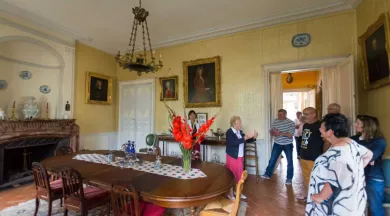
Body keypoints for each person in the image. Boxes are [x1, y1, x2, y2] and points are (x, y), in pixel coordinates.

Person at [306, 113, 373, 215]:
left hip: (337, 204)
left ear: (330, 132)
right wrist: (354, 170)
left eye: (322, 128)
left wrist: (320, 196)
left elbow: (334, 180)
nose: (319, 129)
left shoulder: (339, 152)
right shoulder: (351, 143)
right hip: (352, 200)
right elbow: (369, 155)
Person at [351, 115, 387, 216]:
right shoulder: (352, 139)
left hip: (373, 177)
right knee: (354, 206)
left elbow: (371, 155)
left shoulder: (379, 141)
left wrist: (365, 157)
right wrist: (365, 157)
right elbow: (346, 155)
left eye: (358, 123)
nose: (355, 125)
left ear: (367, 125)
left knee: (375, 208)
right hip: (355, 177)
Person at [225, 116, 258, 200]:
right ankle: (230, 194)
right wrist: (245, 137)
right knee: (232, 175)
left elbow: (246, 140)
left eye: (240, 122)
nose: (241, 124)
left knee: (239, 176)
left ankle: (238, 192)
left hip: (239, 157)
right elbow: (233, 142)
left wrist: (253, 137)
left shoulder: (240, 132)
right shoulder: (229, 132)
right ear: (234, 124)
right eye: (239, 123)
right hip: (232, 157)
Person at [261, 109, 295, 185]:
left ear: (285, 114)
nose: (279, 116)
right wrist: (273, 133)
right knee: (272, 159)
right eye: (278, 114)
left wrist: (280, 133)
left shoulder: (291, 123)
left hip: (288, 144)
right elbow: (271, 131)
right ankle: (267, 174)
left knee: (290, 161)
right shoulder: (275, 121)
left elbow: (290, 135)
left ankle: (289, 178)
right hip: (277, 143)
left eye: (281, 114)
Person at [298, 107, 324, 201]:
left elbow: (325, 141)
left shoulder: (320, 125)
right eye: (303, 114)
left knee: (314, 177)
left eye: (307, 114)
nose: (304, 116)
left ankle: (314, 196)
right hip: (304, 155)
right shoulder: (305, 125)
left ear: (314, 114)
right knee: (306, 177)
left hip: (314, 156)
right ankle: (308, 195)